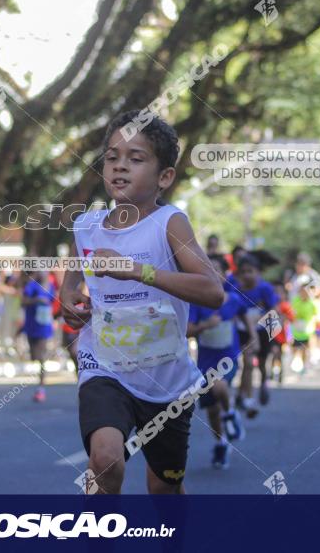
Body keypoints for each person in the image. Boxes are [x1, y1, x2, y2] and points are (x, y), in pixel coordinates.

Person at [60, 110, 224, 495]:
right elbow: (72, 277)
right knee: (105, 459)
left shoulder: (170, 223)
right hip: (105, 364)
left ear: (164, 177)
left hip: (165, 378)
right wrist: (69, 299)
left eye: (135, 158)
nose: (120, 167)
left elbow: (212, 290)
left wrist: (138, 271)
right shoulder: (85, 225)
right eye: (112, 157)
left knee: (164, 489)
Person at [187, 255, 252, 469]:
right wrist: (205, 326)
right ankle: (221, 443)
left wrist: (252, 337)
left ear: (225, 275)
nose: (212, 274)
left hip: (228, 358)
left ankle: (231, 414)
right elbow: (188, 330)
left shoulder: (233, 300)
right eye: (207, 270)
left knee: (220, 385)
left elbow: (245, 316)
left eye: (217, 270)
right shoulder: (197, 302)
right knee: (212, 410)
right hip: (205, 361)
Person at [230, 254, 279, 414]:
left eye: (250, 271)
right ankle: (246, 397)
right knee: (248, 363)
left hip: (262, 331)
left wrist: (259, 317)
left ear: (258, 272)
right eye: (243, 272)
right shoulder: (233, 286)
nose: (246, 275)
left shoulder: (265, 288)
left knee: (262, 363)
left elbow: (274, 310)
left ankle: (264, 382)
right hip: (242, 330)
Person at [21, 270, 56, 402]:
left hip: (44, 326)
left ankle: (41, 388)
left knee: (41, 355)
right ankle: (39, 383)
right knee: (34, 356)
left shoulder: (50, 286)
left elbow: (54, 302)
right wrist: (36, 300)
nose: (44, 272)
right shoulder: (32, 285)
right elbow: (23, 301)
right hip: (31, 325)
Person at [289, 284, 318, 376]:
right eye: (302, 290)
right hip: (296, 328)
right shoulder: (295, 300)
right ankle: (297, 360)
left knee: (306, 348)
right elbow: (290, 312)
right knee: (295, 347)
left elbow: (316, 314)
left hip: (308, 329)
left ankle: (305, 365)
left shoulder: (313, 302)